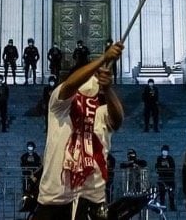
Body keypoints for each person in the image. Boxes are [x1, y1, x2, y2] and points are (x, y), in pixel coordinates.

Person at [33, 40, 124, 219]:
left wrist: (108, 89)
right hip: (56, 201)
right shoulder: (59, 107)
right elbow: (69, 87)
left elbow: (117, 120)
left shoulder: (101, 112)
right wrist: (103, 58)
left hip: (91, 201)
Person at [154, 144, 176, 211]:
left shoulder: (170, 158)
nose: (164, 152)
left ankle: (172, 207)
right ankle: (162, 207)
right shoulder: (159, 158)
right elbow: (157, 167)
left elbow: (173, 168)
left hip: (170, 179)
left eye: (166, 151)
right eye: (163, 151)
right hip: (162, 179)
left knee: (171, 194)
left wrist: (168, 166)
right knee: (162, 194)